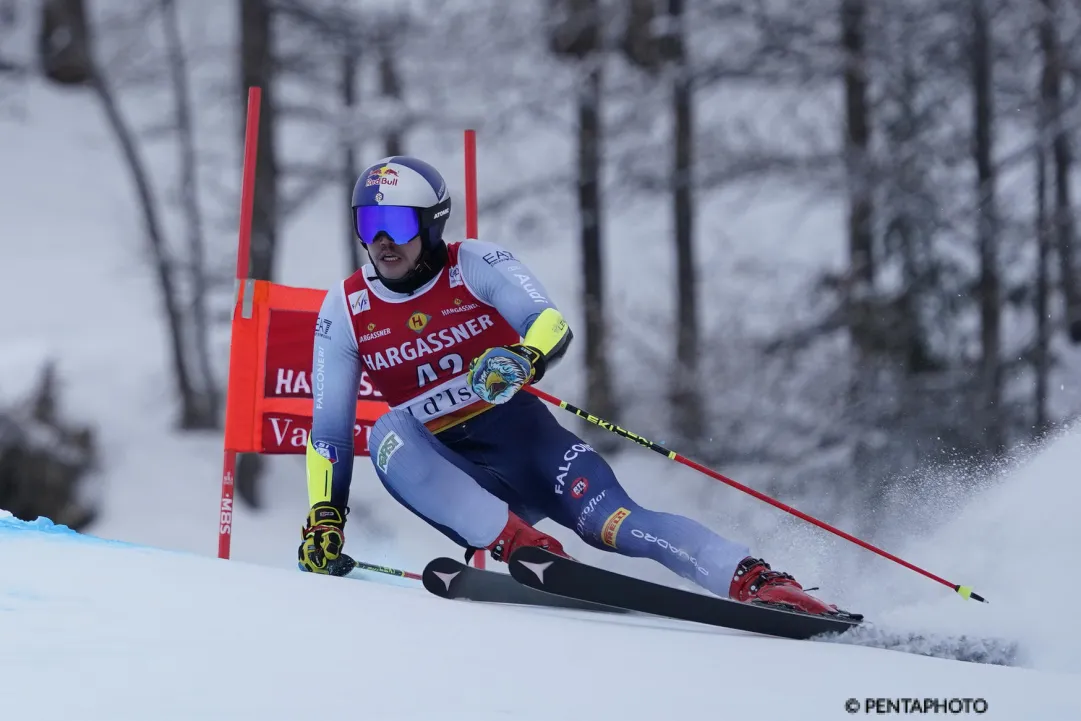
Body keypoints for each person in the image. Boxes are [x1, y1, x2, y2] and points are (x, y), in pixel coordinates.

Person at [298, 154, 845, 617]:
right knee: (387, 433)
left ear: (433, 222)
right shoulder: (345, 309)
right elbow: (329, 432)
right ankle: (525, 545)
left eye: (398, 223)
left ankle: (754, 580)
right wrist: (326, 515)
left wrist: (524, 355)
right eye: (370, 226)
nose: (384, 242)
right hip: (462, 483)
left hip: (533, 448)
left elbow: (549, 321)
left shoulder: (476, 263)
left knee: (620, 525)